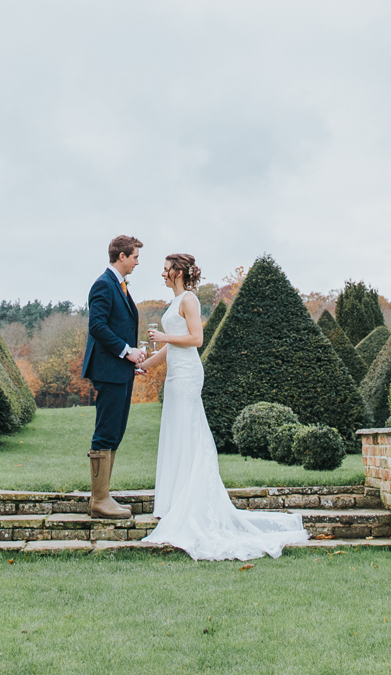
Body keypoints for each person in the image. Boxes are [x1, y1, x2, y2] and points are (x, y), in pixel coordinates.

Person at [140, 252, 308, 560]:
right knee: (176, 434)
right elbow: (170, 346)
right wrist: (147, 364)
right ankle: (174, 502)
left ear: (179, 272)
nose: (162, 274)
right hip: (175, 375)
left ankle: (191, 504)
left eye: (166, 270)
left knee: (189, 432)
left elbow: (196, 339)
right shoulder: (173, 302)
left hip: (189, 375)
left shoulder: (189, 299)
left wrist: (164, 335)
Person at [82, 234, 146, 520]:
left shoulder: (119, 286)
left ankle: (104, 495)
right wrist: (126, 351)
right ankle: (98, 500)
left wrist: (131, 361)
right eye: (134, 257)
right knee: (106, 431)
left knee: (116, 431)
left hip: (119, 371)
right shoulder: (103, 285)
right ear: (121, 256)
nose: (136, 262)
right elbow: (97, 326)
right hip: (107, 372)